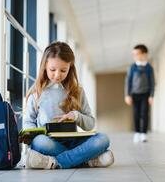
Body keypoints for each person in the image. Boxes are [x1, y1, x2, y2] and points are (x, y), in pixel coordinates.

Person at [23, 41, 114, 169]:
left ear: (70, 68)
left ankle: (54, 162)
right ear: (45, 66)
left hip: (74, 142)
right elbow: (28, 123)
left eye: (63, 70)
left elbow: (90, 124)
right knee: (39, 141)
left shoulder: (77, 91)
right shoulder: (36, 93)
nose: (57, 75)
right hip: (49, 142)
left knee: (103, 139)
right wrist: (36, 132)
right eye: (52, 70)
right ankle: (86, 160)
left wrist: (76, 116)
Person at [124, 44, 155, 143]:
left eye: (137, 54)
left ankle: (143, 134)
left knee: (144, 113)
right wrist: (127, 95)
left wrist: (151, 95)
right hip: (135, 94)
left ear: (144, 54)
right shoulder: (132, 67)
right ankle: (137, 133)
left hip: (145, 94)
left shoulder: (149, 67)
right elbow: (128, 82)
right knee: (136, 114)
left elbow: (152, 83)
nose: (135, 56)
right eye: (133, 54)